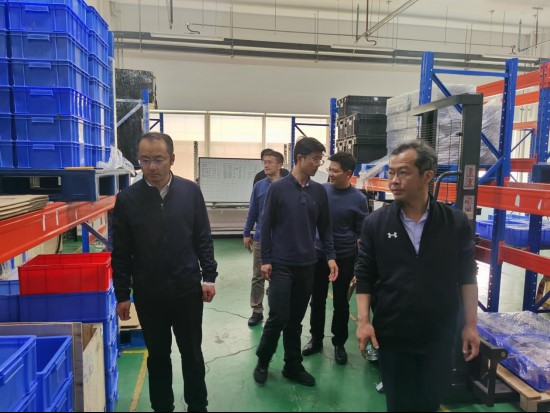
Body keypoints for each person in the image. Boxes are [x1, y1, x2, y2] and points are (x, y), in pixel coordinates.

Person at [355, 140, 480, 412]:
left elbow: (467, 277)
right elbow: (364, 275)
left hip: (439, 333)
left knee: (429, 403)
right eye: (391, 173)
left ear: (427, 176)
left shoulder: (454, 222)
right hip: (393, 333)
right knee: (398, 403)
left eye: (403, 172)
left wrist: (471, 325)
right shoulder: (376, 223)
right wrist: (364, 321)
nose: (394, 180)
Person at [112, 132, 218, 413]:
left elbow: (203, 238)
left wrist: (209, 277)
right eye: (145, 160)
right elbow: (121, 252)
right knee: (158, 356)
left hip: (187, 290)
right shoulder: (127, 199)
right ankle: (162, 407)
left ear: (172, 158)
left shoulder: (190, 192)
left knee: (192, 353)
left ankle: (198, 405)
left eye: (158, 159)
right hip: (149, 294)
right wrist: (122, 294)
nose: (151, 167)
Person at [253, 137, 338, 387]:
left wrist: (331, 256)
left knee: (295, 320)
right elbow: (266, 225)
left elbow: (325, 227)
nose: (318, 164)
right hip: (281, 264)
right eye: (315, 159)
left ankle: (292, 365)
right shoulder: (277, 189)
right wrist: (266, 260)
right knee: (278, 315)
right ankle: (263, 360)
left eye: (320, 160)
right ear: (300, 158)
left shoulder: (319, 191)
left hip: (307, 264)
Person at [302, 152, 368, 365]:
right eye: (329, 169)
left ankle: (339, 343)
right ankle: (316, 339)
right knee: (317, 300)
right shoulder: (321, 191)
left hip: (344, 257)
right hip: (319, 255)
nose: (330, 174)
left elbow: (361, 235)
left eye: (335, 171)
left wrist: (359, 262)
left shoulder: (358, 199)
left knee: (341, 302)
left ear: (348, 173)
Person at [243, 150, 285, 327]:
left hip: (282, 239)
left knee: (280, 275)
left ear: (279, 165)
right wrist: (247, 233)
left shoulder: (287, 186)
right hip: (261, 237)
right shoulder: (259, 186)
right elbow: (253, 210)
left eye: (269, 162)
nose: (266, 165)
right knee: (258, 275)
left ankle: (278, 311)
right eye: (264, 162)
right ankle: (257, 310)